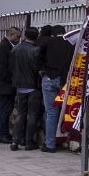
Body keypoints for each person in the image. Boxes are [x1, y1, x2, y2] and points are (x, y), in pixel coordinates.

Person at [36, 25, 74, 153]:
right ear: (64, 32)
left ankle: (50, 144)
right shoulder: (71, 42)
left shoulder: (47, 42)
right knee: (68, 111)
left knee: (51, 112)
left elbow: (37, 56)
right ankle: (67, 140)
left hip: (49, 78)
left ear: (52, 34)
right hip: (66, 81)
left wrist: (42, 70)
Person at [0, 27, 22, 144]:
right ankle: (2, 134)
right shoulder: (4, 47)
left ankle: (3, 133)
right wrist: (11, 80)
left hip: (2, 84)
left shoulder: (4, 46)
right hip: (4, 85)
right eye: (17, 36)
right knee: (5, 110)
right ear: (11, 35)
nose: (19, 39)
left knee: (5, 109)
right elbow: (3, 67)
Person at [9, 27, 41, 151]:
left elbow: (11, 67)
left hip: (19, 85)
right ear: (36, 36)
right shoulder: (35, 50)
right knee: (32, 115)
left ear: (24, 36)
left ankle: (15, 141)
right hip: (32, 86)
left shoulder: (15, 49)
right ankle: (28, 142)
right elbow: (38, 69)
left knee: (20, 114)